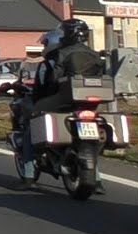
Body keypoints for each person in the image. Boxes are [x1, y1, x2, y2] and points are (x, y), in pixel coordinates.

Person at [9, 18, 105, 188]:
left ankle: (29, 177)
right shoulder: (94, 54)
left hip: (62, 101)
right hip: (88, 103)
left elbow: (49, 83)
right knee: (90, 140)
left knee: (31, 127)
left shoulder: (58, 56)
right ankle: (96, 180)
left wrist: (39, 95)